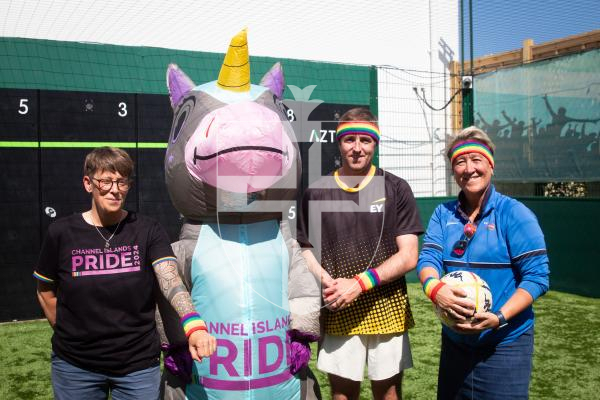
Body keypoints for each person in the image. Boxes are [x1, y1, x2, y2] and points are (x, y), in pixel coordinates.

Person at [33, 146, 216, 400]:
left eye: (122, 181)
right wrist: (71, 335)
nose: (115, 189)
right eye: (106, 181)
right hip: (75, 368)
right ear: (88, 184)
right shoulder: (61, 232)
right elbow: (45, 291)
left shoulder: (147, 230)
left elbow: (170, 280)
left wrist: (194, 325)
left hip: (137, 367)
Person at [297, 108, 423, 400]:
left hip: (387, 307)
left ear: (375, 143)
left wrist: (360, 283)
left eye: (365, 140)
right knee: (342, 394)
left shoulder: (396, 188)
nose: (357, 148)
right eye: (349, 139)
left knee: (388, 393)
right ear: (339, 143)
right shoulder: (317, 192)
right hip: (338, 304)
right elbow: (305, 248)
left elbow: (409, 256)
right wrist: (327, 281)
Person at [417, 126, 550, 400]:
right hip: (455, 342)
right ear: (453, 171)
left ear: (490, 165)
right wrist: (434, 289)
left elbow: (537, 278)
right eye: (460, 162)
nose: (469, 169)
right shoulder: (443, 214)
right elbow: (428, 259)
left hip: (504, 343)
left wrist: (499, 318)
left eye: (476, 160)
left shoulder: (515, 214)